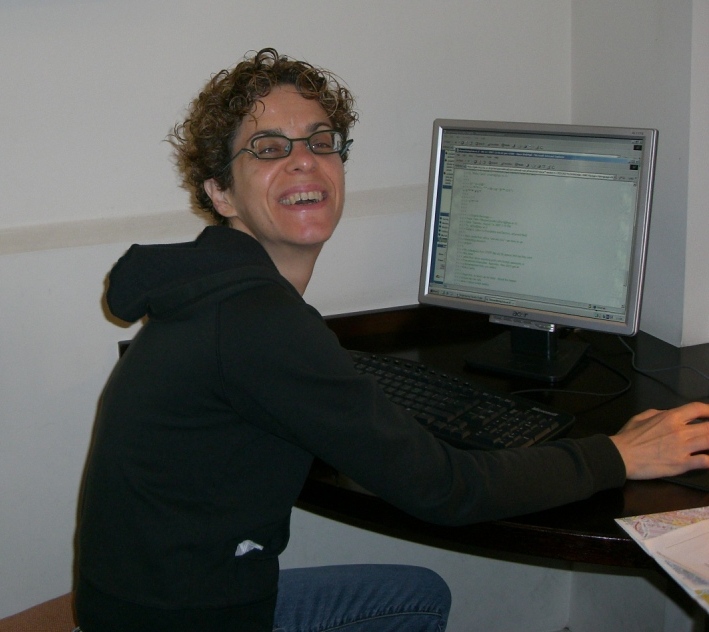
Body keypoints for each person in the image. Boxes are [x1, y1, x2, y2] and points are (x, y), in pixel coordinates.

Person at [73, 48, 709, 632]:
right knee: (418, 601)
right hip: (190, 622)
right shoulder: (257, 321)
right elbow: (447, 489)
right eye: (268, 148)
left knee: (417, 592)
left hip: (142, 606)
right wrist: (619, 454)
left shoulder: (217, 290)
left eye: (322, 141)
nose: (304, 159)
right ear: (220, 193)